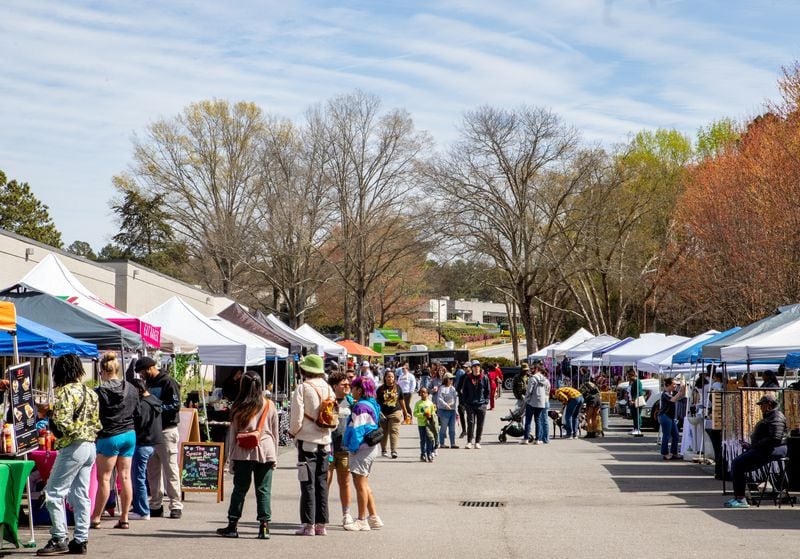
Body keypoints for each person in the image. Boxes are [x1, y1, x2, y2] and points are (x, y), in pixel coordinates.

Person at [37, 355, 101, 556]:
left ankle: (59, 537)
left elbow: (63, 422)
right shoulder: (90, 392)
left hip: (73, 445)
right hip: (90, 445)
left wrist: (48, 414)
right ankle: (81, 539)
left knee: (53, 493)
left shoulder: (63, 392)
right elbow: (97, 421)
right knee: (80, 494)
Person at [217, 371, 279, 539]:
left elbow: (233, 434)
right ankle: (264, 526)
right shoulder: (269, 405)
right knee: (264, 490)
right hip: (266, 450)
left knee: (240, 489)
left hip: (242, 451)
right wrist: (275, 456)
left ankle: (232, 525)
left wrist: (230, 459)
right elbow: (275, 432)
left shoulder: (238, 406)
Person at [91, 352, 139, 530]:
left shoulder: (99, 391)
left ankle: (96, 517)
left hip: (109, 435)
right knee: (125, 477)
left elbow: (95, 416)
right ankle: (124, 517)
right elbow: (138, 412)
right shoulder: (132, 388)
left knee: (104, 478)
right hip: (129, 434)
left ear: (103, 370)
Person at [289, 354, 334, 536]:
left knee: (307, 482)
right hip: (326, 440)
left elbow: (296, 417)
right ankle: (321, 524)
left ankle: (308, 524)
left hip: (307, 441)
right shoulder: (329, 388)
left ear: (305, 370)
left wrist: (293, 432)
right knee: (322, 482)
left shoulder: (303, 388)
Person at [138, 356, 183, 519]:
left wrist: (155, 407)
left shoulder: (168, 382)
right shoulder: (148, 383)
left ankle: (176, 505)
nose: (141, 376)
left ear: (150, 368)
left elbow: (176, 405)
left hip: (167, 430)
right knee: (153, 470)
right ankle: (156, 504)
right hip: (153, 431)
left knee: (170, 468)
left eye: (142, 372)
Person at [724, 394, 788, 508]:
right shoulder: (770, 416)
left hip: (771, 450)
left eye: (762, 405)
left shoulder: (776, 416)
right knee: (738, 464)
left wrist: (756, 446)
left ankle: (741, 498)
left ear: (769, 405)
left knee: (737, 463)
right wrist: (751, 446)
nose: (760, 407)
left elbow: (775, 438)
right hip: (764, 449)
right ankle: (740, 496)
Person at [343, 376, 383, 531]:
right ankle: (373, 517)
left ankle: (362, 519)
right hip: (370, 447)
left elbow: (357, 431)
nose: (351, 390)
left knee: (359, 485)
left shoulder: (360, 407)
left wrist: (351, 448)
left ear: (359, 390)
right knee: (364, 484)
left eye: (353, 388)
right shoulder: (371, 403)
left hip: (362, 449)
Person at [129, 378, 162, 521]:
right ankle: (139, 508)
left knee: (138, 478)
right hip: (152, 443)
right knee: (143, 477)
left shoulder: (142, 405)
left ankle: (142, 510)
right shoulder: (154, 400)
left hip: (142, 443)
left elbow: (139, 424)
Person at [326, 371, 354, 527]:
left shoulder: (350, 402)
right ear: (335, 386)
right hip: (328, 449)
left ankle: (346, 514)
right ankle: (322, 513)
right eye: (344, 384)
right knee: (326, 483)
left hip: (345, 449)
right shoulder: (327, 401)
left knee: (345, 483)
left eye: (348, 384)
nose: (347, 387)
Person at [459, 360, 490, 449]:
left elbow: (488, 391)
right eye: (474, 366)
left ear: (480, 368)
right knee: (470, 423)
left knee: (480, 424)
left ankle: (477, 442)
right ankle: (469, 441)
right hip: (470, 404)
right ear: (471, 368)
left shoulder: (484, 377)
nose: (476, 368)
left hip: (481, 405)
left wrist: (485, 402)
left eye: (478, 366)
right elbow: (464, 391)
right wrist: (465, 402)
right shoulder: (467, 378)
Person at [376, 370, 404, 459]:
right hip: (383, 413)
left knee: (394, 431)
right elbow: (376, 402)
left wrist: (406, 412)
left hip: (395, 412)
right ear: (385, 378)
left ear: (394, 378)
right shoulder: (380, 389)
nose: (390, 378)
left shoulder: (398, 388)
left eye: (392, 377)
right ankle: (384, 450)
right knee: (384, 433)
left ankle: (393, 450)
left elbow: (401, 400)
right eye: (388, 376)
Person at [658, 377, 686, 460]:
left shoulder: (672, 392)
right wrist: (679, 391)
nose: (675, 386)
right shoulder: (665, 394)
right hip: (664, 416)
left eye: (675, 384)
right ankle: (665, 453)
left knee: (676, 435)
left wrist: (683, 386)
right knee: (666, 435)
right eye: (673, 384)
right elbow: (673, 400)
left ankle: (674, 452)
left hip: (670, 417)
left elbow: (682, 394)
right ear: (668, 385)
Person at [523, 364, 550, 445]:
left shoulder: (533, 378)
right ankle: (537, 439)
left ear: (537, 369)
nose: (531, 370)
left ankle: (526, 439)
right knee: (537, 420)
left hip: (532, 402)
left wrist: (526, 399)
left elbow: (529, 390)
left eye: (532, 368)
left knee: (528, 421)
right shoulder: (545, 379)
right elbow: (546, 390)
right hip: (541, 402)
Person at [414, 387, 437, 462]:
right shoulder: (418, 403)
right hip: (421, 424)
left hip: (429, 424)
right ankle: (422, 454)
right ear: (419, 394)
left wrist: (430, 415)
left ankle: (429, 453)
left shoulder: (430, 403)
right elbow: (415, 413)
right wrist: (423, 414)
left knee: (430, 439)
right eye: (421, 392)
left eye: (424, 392)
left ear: (427, 393)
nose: (423, 394)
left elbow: (433, 413)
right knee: (423, 440)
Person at [437, 373, 458, 448]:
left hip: (452, 410)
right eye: (450, 379)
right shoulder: (442, 388)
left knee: (452, 428)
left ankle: (453, 443)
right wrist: (446, 405)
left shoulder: (453, 388)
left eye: (453, 379)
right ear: (446, 379)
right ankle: (442, 443)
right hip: (444, 410)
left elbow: (455, 399)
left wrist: (456, 411)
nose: (452, 380)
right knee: (443, 428)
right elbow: (439, 399)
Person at [626, 369, 644, 437]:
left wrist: (633, 400)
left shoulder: (637, 382)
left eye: (629, 376)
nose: (628, 377)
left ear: (632, 375)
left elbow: (638, 392)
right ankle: (635, 428)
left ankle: (638, 429)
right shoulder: (632, 382)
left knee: (637, 415)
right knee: (634, 415)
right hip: (632, 401)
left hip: (636, 401)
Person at [454, 362, 468, 437]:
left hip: (471, 401)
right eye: (465, 368)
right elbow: (458, 387)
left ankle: (470, 431)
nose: (466, 369)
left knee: (470, 417)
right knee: (461, 413)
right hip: (462, 400)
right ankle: (464, 430)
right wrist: (460, 390)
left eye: (467, 367)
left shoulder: (473, 377)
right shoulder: (463, 377)